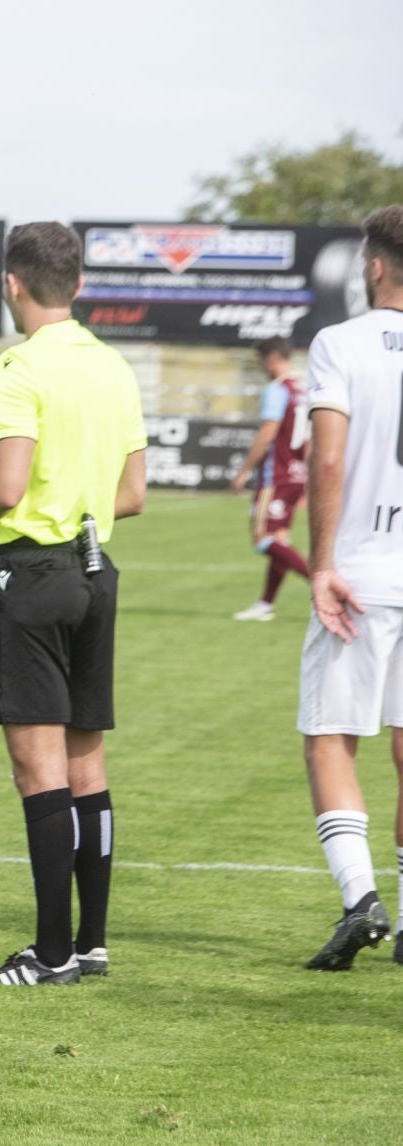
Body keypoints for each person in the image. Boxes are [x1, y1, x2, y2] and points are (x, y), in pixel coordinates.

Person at [0, 221, 147, 987]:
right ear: (80, 285)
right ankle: (90, 944)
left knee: (39, 771)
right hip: (97, 570)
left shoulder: (19, 368)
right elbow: (132, 495)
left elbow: (6, 486)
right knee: (87, 762)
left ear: (13, 284)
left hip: (33, 573)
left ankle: (50, 952)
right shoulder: (114, 367)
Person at [292, 204, 403, 970]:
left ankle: (361, 898)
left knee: (331, 737)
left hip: (364, 575)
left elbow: (326, 462)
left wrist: (321, 563)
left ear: (373, 265)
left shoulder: (341, 342)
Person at [230, 338, 312, 621]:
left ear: (273, 357)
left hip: (275, 476)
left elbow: (268, 433)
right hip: (296, 475)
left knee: (262, 537)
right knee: (279, 539)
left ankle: (318, 579)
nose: (262, 367)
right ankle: (265, 605)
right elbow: (310, 439)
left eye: (262, 360)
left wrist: (244, 471)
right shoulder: (302, 389)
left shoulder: (277, 390)